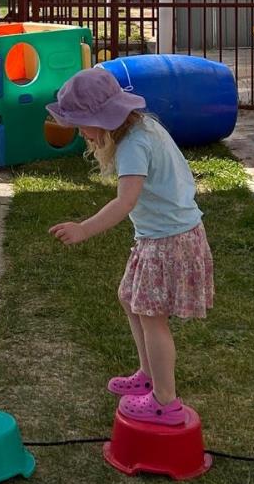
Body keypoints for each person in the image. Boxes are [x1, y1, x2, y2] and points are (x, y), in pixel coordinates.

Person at [46, 66, 214, 425]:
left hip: (169, 241)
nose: (81, 133)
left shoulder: (135, 145)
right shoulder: (141, 129)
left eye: (81, 124)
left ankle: (165, 401)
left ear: (101, 118)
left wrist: (84, 229)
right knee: (130, 298)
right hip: (161, 236)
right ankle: (148, 375)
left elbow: (125, 202)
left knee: (153, 318)